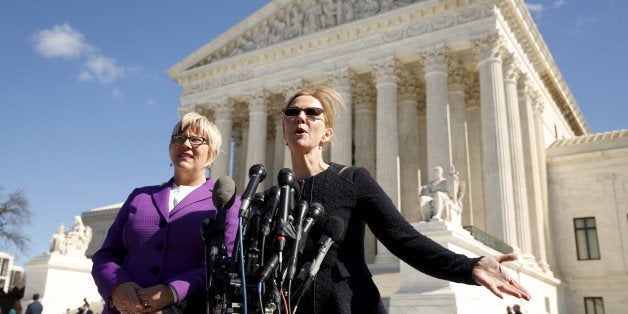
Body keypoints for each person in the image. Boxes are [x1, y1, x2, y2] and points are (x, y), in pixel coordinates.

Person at [280, 85, 531, 313]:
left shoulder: (352, 180)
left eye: (312, 113)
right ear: (284, 131)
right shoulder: (276, 197)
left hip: (352, 306)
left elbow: (403, 239)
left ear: (327, 133)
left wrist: (469, 266)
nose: (301, 118)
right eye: (292, 112)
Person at [91, 112, 240, 314]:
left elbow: (223, 265)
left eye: (196, 140)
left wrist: (172, 292)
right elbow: (106, 254)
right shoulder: (140, 196)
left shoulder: (227, 203)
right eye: (179, 138)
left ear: (212, 153)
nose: (186, 144)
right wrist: (117, 285)